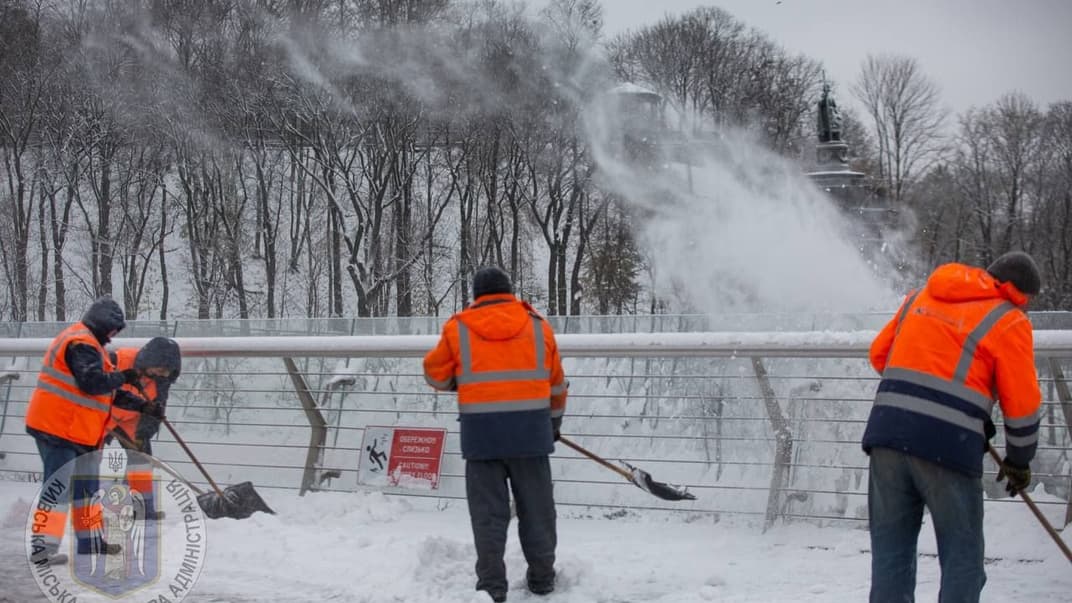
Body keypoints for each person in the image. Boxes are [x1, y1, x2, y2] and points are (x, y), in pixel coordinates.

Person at [862, 251, 1043, 602]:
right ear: (1020, 293)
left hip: (887, 435)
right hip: (947, 447)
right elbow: (1022, 407)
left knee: (891, 558)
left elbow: (879, 356)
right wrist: (1019, 461)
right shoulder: (1009, 319)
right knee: (963, 559)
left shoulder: (920, 296)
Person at [423, 266, 568, 603]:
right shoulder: (538, 327)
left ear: (476, 296)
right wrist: (554, 423)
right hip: (531, 434)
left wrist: (458, 381)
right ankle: (542, 579)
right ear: (510, 291)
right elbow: (557, 385)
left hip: (482, 438)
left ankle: (492, 587)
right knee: (538, 510)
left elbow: (433, 373)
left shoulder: (458, 328)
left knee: (488, 516)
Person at [24, 296, 144, 565]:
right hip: (56, 428)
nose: (113, 337)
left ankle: (90, 542)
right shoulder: (80, 343)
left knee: (87, 490)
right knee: (58, 489)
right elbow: (92, 382)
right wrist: (124, 376)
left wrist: (144, 406)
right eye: (113, 330)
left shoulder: (93, 347)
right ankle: (43, 548)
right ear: (103, 324)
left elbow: (108, 392)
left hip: (79, 433)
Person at [106, 336, 182, 521]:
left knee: (141, 462)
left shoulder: (162, 380)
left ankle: (141, 509)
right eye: (161, 369)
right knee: (86, 459)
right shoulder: (117, 361)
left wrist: (143, 434)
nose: (163, 374)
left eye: (167, 371)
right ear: (150, 360)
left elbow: (156, 410)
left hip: (131, 419)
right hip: (102, 414)